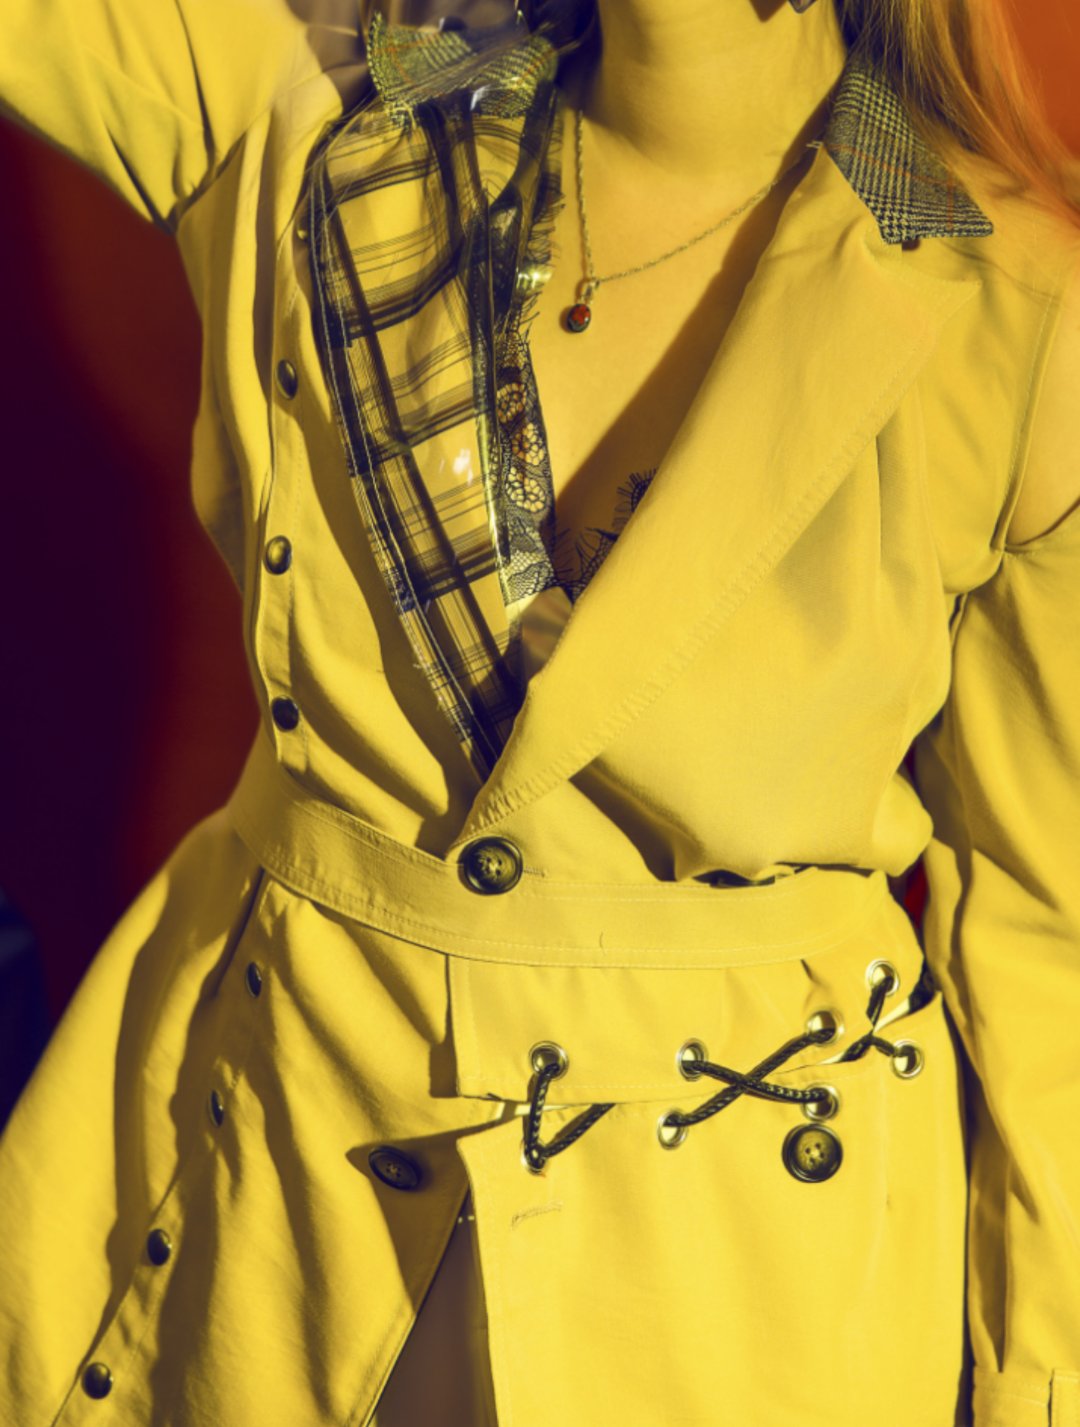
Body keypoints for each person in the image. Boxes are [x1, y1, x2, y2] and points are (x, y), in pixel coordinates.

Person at [0, 0, 1078, 1423]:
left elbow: (1051, 943)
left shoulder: (1019, 307)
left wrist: (1042, 1383)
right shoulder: (324, 107)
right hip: (274, 1201)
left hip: (748, 1281)